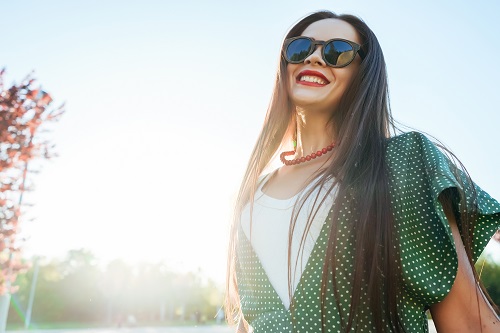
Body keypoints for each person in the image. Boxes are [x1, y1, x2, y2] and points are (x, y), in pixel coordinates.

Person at [224, 10, 500, 333]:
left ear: (363, 74)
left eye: (336, 51)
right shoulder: (248, 199)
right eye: (300, 48)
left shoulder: (401, 166)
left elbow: (470, 324)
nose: (314, 58)